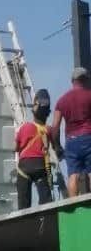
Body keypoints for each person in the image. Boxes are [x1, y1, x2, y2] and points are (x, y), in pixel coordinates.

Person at [14, 89, 62, 209]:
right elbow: (57, 148)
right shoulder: (49, 130)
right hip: (41, 167)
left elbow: (15, 148)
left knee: (23, 203)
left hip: (24, 167)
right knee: (46, 201)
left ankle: (24, 222)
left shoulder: (24, 128)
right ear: (47, 113)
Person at [51, 67, 91, 198]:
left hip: (71, 141)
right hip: (89, 137)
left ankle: (73, 205)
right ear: (85, 80)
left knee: (73, 174)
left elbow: (55, 126)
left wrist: (57, 146)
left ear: (72, 81)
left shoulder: (62, 100)